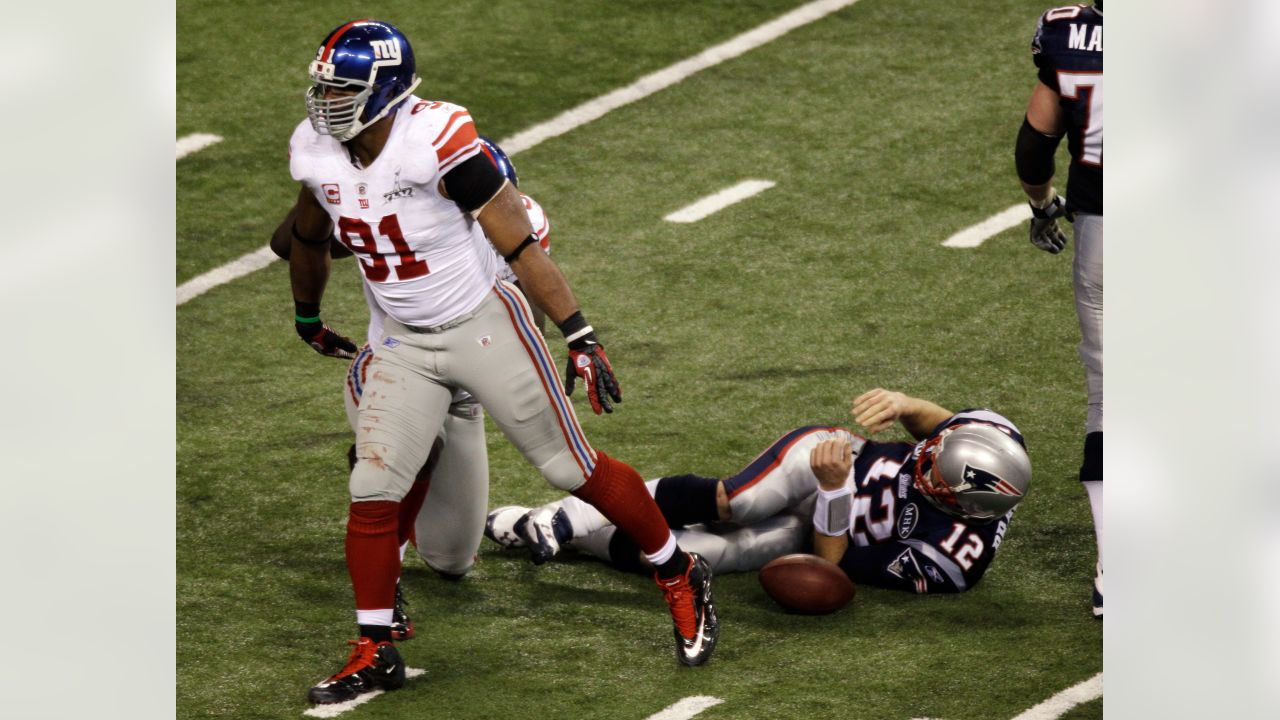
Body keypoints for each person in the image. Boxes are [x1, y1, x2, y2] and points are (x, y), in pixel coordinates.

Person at [282, 19, 718, 706]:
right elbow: (305, 235)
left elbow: (521, 247)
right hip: (399, 338)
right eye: (325, 83)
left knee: (567, 466)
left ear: (387, 91)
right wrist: (306, 313)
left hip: (481, 326)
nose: (325, 98)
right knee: (373, 488)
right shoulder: (316, 150)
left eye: (343, 87)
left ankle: (677, 570)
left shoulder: (440, 139)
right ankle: (373, 646)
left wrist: (580, 335)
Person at [272, 136, 553, 642]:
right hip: (395, 365)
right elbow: (287, 243)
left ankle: (402, 497)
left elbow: (528, 318)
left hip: (463, 390)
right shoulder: (411, 215)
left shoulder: (521, 226)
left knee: (452, 561)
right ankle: (387, 566)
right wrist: (326, 199)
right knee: (413, 454)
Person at [488, 389, 1030, 595]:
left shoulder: (950, 561)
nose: (922, 458)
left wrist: (836, 494)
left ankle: (560, 533)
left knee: (702, 554)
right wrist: (906, 405)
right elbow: (939, 423)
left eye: (932, 474)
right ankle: (566, 516)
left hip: (827, 518)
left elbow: (831, 566)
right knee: (738, 503)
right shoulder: (990, 438)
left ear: (958, 504)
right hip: (830, 455)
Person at [1014, 1, 1103, 617]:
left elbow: (1033, 148)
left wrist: (1044, 205)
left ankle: (1115, 568)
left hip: (1107, 235)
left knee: (1111, 395)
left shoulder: (1068, 33)